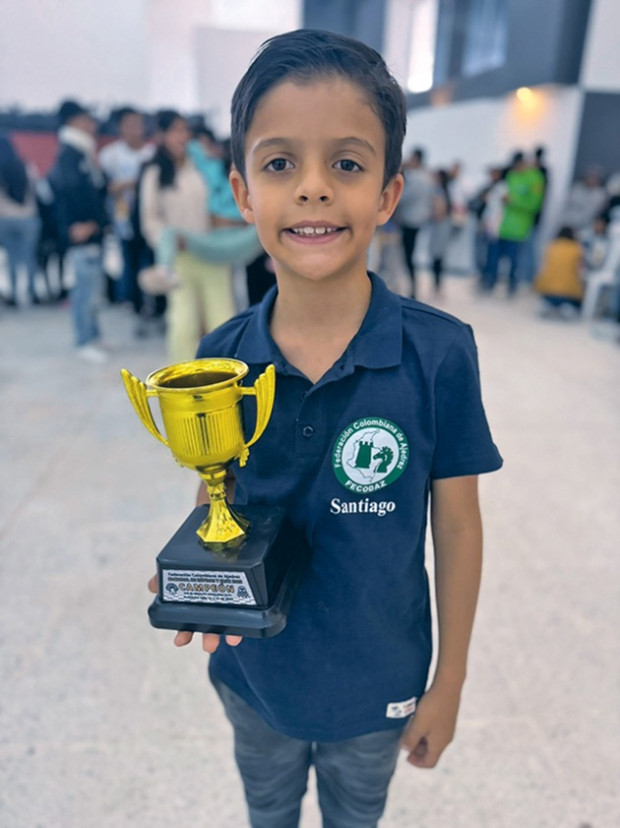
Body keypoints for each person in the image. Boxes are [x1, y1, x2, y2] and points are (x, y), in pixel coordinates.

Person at [149, 30, 502, 827]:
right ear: (242, 194)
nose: (312, 189)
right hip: (257, 680)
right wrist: (198, 582)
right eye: (280, 164)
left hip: (378, 683)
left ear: (386, 193)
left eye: (345, 163)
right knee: (267, 809)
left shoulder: (439, 352)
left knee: (356, 814)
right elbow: (219, 504)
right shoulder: (221, 357)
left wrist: (450, 681)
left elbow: (457, 522)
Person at [139, 110, 236, 362]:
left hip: (212, 253)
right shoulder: (155, 173)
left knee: (222, 320)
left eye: (185, 130)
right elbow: (150, 218)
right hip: (181, 258)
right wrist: (167, 241)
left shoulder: (203, 167)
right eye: (175, 130)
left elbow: (220, 202)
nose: (182, 136)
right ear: (161, 135)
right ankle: (183, 381)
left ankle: (225, 378)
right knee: (183, 323)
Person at [48, 100, 109, 362]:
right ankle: (84, 340)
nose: (91, 124)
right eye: (86, 118)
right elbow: (71, 191)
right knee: (84, 291)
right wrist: (85, 223)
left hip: (91, 231)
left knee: (92, 288)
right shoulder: (70, 154)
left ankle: (93, 336)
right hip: (81, 233)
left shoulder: (81, 152)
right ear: (73, 121)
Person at [98, 107, 154, 311]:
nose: (135, 129)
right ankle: (133, 303)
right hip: (122, 218)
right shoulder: (110, 155)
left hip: (148, 217)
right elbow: (102, 187)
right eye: (129, 124)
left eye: (138, 124)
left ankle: (154, 305)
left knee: (150, 261)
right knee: (129, 262)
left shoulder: (152, 153)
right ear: (120, 127)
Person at [484, 151, 544, 295]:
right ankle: (490, 283)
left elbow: (535, 204)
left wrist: (514, 201)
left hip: (519, 228)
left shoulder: (536, 178)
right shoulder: (511, 176)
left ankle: (512, 287)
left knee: (514, 261)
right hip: (501, 225)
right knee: (493, 257)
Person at [0, 133, 43, 306]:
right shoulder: (27, 167)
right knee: (29, 258)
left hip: (5, 219)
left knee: (11, 258)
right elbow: (37, 190)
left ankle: (14, 294)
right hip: (28, 217)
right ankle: (32, 293)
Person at [394, 147, 433, 297]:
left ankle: (412, 289)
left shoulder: (417, 178)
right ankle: (411, 288)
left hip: (410, 221)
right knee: (409, 255)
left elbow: (403, 198)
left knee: (407, 256)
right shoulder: (426, 177)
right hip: (418, 220)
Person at [533, 226, 584, 317]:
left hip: (547, 292)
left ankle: (547, 305)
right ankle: (567, 308)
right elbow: (579, 271)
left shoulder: (551, 246)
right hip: (568, 295)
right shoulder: (577, 249)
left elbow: (543, 267)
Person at [428, 168, 453, 294]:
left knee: (436, 257)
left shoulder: (438, 192)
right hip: (443, 227)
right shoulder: (446, 192)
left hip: (439, 227)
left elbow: (439, 212)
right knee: (439, 257)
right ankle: (437, 285)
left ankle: (436, 285)